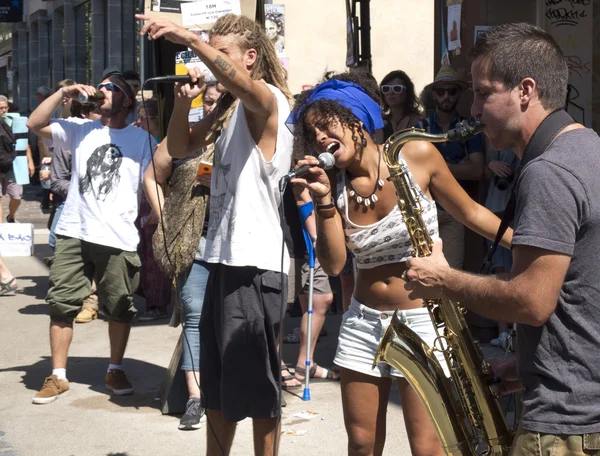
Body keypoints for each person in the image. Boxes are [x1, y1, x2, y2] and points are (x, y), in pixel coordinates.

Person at [286, 72, 511, 456]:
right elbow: (336, 263)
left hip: (423, 321)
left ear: (356, 119)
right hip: (362, 323)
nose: (320, 137)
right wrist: (322, 202)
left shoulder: (416, 156)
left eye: (327, 125)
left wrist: (529, 247)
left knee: (428, 447)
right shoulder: (333, 184)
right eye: (313, 132)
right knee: (361, 443)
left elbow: (472, 212)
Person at [404, 22, 600, 456]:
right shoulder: (589, 148)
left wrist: (444, 280)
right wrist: (528, 366)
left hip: (563, 426)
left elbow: (530, 301)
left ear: (525, 90)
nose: (473, 110)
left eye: (483, 93)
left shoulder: (549, 172)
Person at [137, 12, 293, 456]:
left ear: (249, 56)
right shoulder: (227, 110)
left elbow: (247, 87)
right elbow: (180, 148)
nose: (210, 62)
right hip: (221, 258)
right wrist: (184, 102)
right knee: (218, 388)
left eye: (221, 52)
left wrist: (190, 37)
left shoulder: (269, 101)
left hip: (254, 263)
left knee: (260, 391)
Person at [26, 71, 154, 404]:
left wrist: (158, 212)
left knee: (120, 308)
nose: (101, 91)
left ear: (126, 99)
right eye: (100, 86)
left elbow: (154, 178)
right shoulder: (80, 130)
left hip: (118, 236)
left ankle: (114, 367)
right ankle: (58, 375)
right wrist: (64, 93)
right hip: (74, 230)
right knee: (61, 303)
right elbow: (34, 123)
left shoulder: (142, 140)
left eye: (110, 88)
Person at [144, 83, 220, 430]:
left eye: (219, 100)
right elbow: (152, 177)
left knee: (243, 316)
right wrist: (166, 217)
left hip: (238, 241)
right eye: (208, 100)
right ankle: (195, 397)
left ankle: (243, 385)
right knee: (193, 315)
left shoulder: (244, 135)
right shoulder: (184, 138)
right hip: (194, 243)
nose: (211, 107)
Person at [416, 66, 485, 269]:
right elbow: (414, 170)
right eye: (441, 91)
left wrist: (434, 168)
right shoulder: (421, 127)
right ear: (434, 95)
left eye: (452, 91)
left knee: (453, 270)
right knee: (423, 271)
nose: (446, 96)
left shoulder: (469, 126)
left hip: (456, 209)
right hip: (424, 210)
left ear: (458, 94)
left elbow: (477, 170)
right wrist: (458, 166)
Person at [49, 101, 102, 324]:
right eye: (97, 112)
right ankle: (83, 297)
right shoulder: (67, 140)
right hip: (72, 204)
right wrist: (81, 192)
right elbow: (56, 180)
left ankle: (93, 300)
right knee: (55, 241)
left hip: (105, 207)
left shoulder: (114, 137)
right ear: (85, 114)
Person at [484, 147, 520, 350]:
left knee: (518, 269)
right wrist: (492, 165)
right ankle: (503, 331)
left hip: (518, 206)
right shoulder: (490, 134)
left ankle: (517, 330)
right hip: (495, 205)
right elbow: (481, 166)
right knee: (498, 268)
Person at [0, 95, 35, 223]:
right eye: (1, 108)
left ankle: (11, 216)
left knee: (17, 195)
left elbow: (23, 142)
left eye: (5, 108)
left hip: (14, 164)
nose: (4, 111)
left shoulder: (15, 121)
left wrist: (29, 161)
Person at [379, 70, 422, 141]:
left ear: (407, 93)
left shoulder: (417, 122)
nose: (391, 93)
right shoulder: (382, 123)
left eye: (397, 88)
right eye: (386, 89)